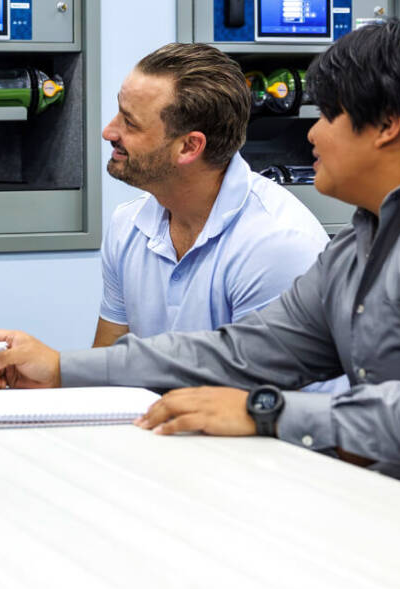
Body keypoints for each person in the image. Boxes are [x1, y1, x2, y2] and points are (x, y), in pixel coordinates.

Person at [0, 17, 400, 496]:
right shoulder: (361, 242)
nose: (312, 135)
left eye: (329, 115)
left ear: (387, 126)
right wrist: (64, 368)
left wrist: (265, 410)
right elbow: (242, 353)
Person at [94, 42, 344, 394]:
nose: (109, 131)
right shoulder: (128, 224)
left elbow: (266, 410)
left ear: (189, 147)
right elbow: (105, 373)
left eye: (129, 123)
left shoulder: (277, 244)